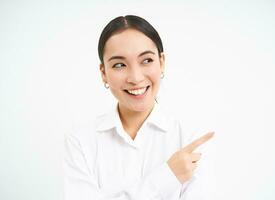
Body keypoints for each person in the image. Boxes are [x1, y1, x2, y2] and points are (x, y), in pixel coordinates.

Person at [64, 15, 215, 200]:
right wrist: (167, 177)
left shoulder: (191, 138)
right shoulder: (81, 141)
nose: (135, 77)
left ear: (162, 63)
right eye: (119, 65)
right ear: (103, 73)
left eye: (146, 60)